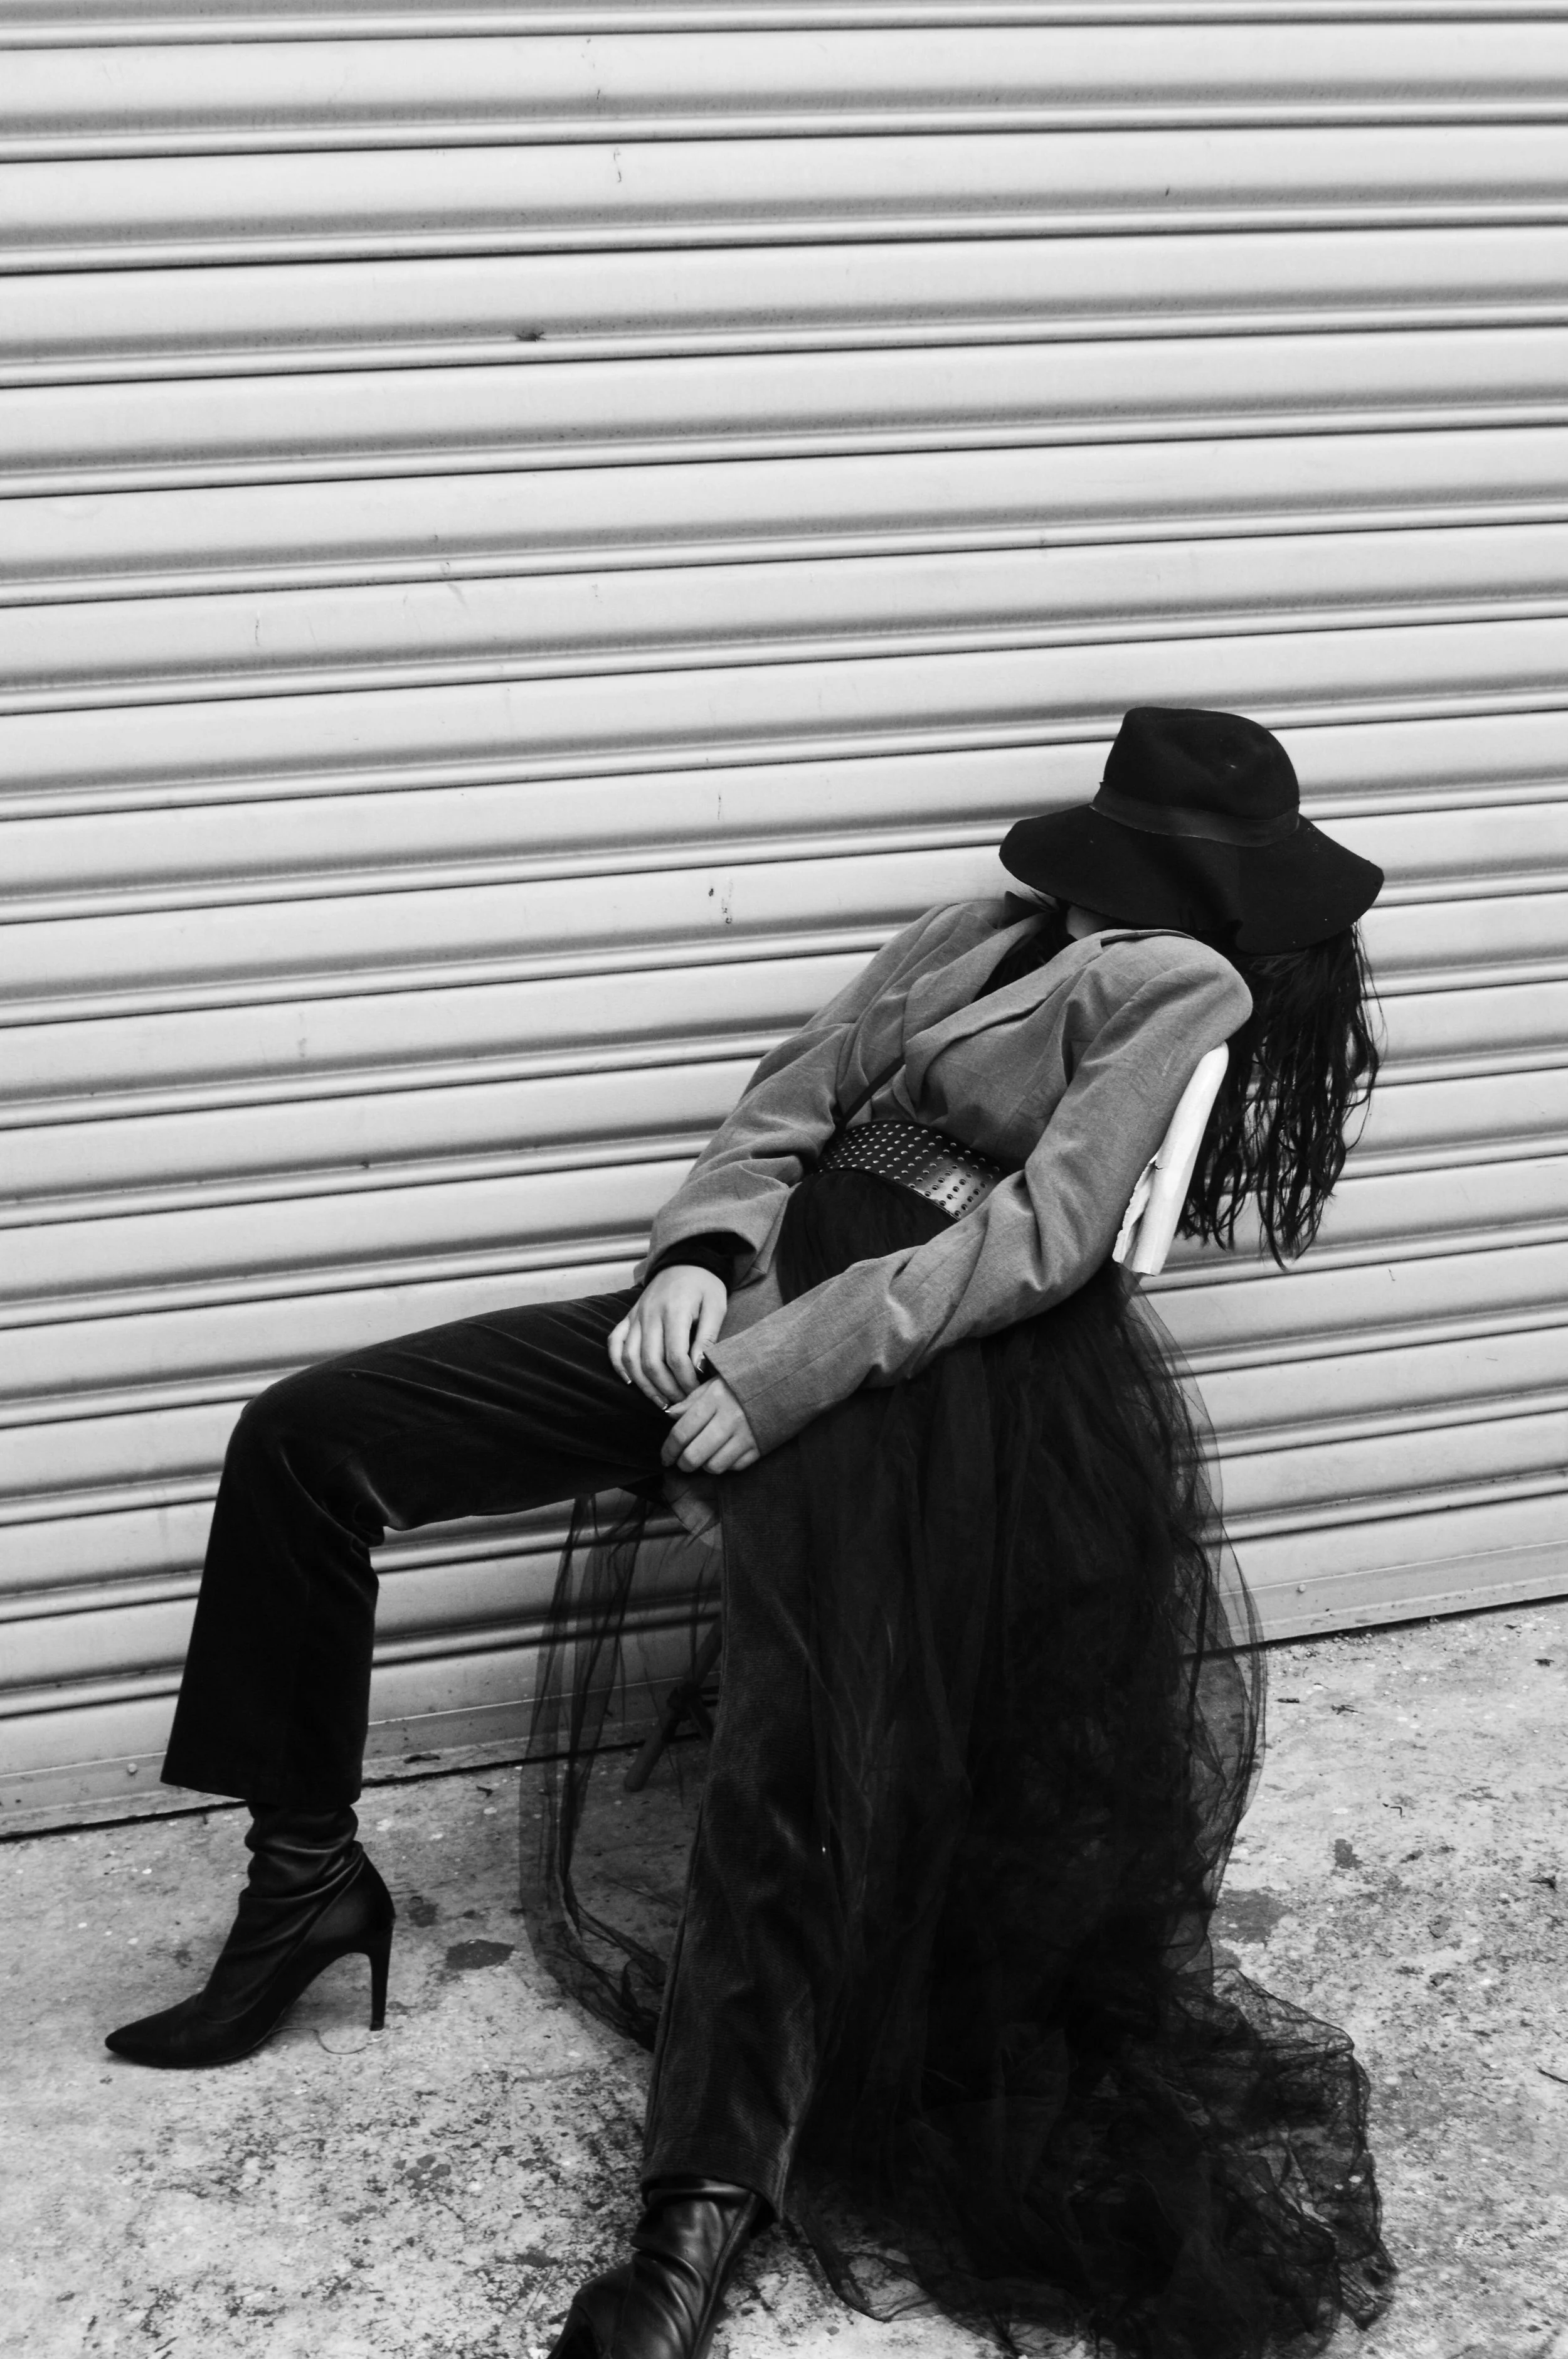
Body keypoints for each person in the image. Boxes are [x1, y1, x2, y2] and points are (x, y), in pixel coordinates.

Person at [107, 708, 1394, 2359]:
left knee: (793, 1749)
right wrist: (696, 1262)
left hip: (950, 1386)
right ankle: (301, 1884)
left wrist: (784, 1373)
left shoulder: (1177, 984)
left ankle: (695, 2219)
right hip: (765, 1309)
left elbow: (1050, 1230)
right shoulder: (974, 929)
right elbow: (792, 1100)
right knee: (313, 1437)